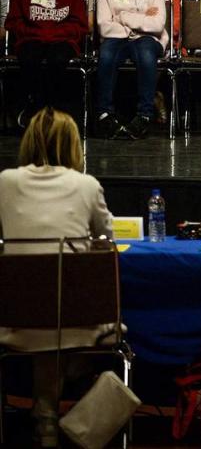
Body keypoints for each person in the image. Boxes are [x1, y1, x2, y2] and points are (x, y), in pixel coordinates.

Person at [0, 108, 113, 448]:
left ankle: (46, 416)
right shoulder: (87, 185)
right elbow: (105, 246)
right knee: (67, 316)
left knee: (46, 311)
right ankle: (63, 416)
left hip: (15, 320)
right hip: (75, 320)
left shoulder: (5, 182)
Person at [4, 0, 88, 125]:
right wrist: (36, 33)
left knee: (57, 59)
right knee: (30, 57)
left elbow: (79, 24)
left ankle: (48, 109)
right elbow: (13, 21)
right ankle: (37, 107)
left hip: (62, 40)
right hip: (31, 39)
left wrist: (53, 34)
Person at [95, 0, 169, 140]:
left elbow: (157, 25)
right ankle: (105, 114)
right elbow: (104, 26)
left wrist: (123, 17)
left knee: (146, 52)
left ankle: (145, 113)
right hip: (116, 38)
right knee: (107, 54)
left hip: (148, 39)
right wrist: (140, 21)